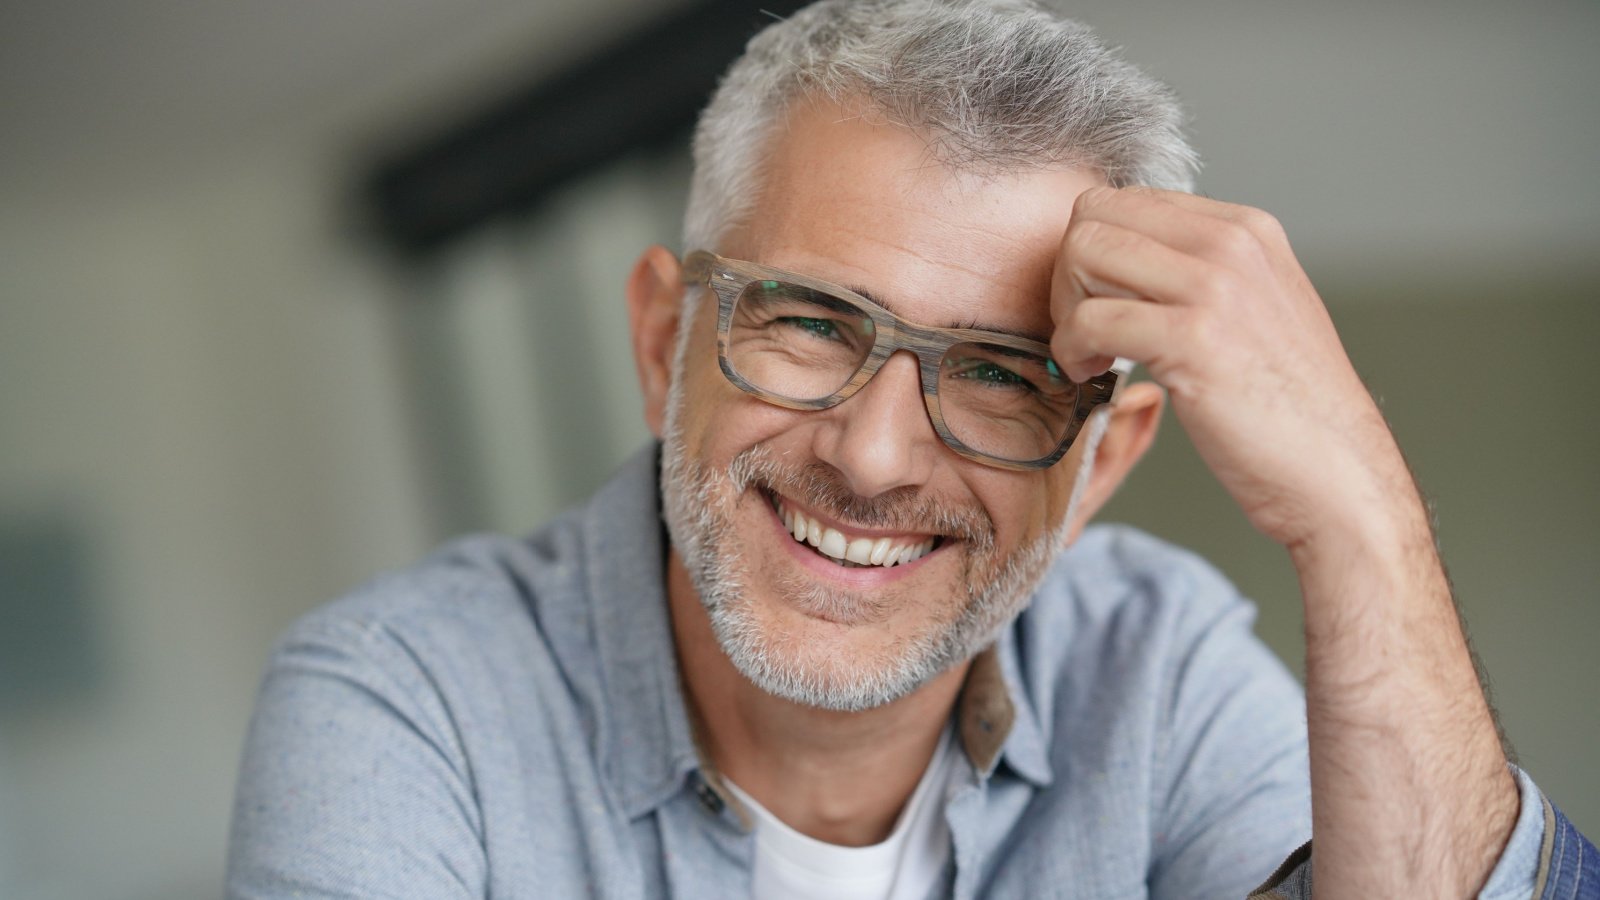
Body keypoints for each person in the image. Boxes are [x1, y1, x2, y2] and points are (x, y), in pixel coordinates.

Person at [227, 1, 1595, 897]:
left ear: (1103, 461)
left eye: (1000, 375)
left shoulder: (1156, 662)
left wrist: (1362, 518)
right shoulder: (405, 699)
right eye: (812, 323)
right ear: (661, 343)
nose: (877, 458)